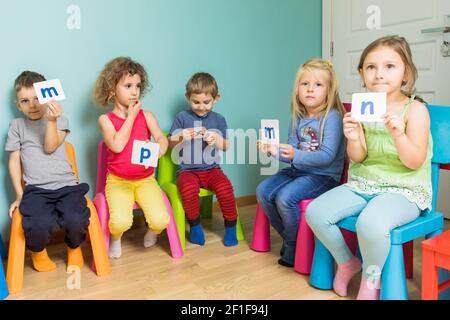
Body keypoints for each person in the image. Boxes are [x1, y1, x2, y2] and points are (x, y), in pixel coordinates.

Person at [306, 35, 432, 300]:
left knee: (370, 224)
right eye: (371, 67)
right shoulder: (365, 107)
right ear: (362, 73)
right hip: (364, 183)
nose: (379, 74)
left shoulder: (416, 109)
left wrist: (398, 134)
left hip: (404, 190)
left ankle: (370, 277)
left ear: (406, 72)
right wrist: (353, 137)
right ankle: (347, 262)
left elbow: (414, 161)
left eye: (389, 66)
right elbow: (359, 157)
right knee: (316, 212)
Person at [256, 58, 346, 267]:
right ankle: (294, 239)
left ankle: (293, 244)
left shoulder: (332, 117)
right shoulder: (298, 116)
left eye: (318, 85)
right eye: (305, 84)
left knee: (285, 198)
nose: (310, 89)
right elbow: (291, 152)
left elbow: (327, 156)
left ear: (329, 90)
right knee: (263, 191)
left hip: (324, 176)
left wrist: (295, 155)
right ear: (297, 89)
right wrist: (273, 150)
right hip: (298, 171)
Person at [6, 71, 90, 272]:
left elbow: (50, 147)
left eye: (37, 98)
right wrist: (19, 194)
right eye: (25, 101)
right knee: (37, 222)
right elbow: (14, 161)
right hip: (36, 190)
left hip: (67, 186)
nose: (32, 105)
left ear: (47, 97)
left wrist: (51, 121)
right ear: (19, 105)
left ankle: (74, 247)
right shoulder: (17, 126)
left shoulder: (60, 120)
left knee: (75, 218)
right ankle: (38, 252)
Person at [94, 57, 170, 258]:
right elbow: (117, 145)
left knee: (161, 220)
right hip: (118, 181)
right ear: (112, 89)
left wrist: (159, 147)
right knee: (120, 222)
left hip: (145, 180)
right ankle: (116, 238)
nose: (134, 91)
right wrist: (131, 117)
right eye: (128, 86)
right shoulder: (106, 120)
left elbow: (162, 138)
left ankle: (152, 232)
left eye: (137, 85)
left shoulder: (148, 116)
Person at [169, 72, 238, 247]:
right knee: (188, 189)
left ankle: (230, 227)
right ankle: (195, 225)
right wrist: (181, 136)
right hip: (188, 171)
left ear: (216, 98)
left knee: (225, 188)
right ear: (188, 98)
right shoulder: (182, 118)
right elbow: (170, 143)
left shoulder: (219, 119)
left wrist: (217, 139)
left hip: (212, 169)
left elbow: (226, 145)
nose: (201, 107)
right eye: (196, 102)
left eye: (206, 102)